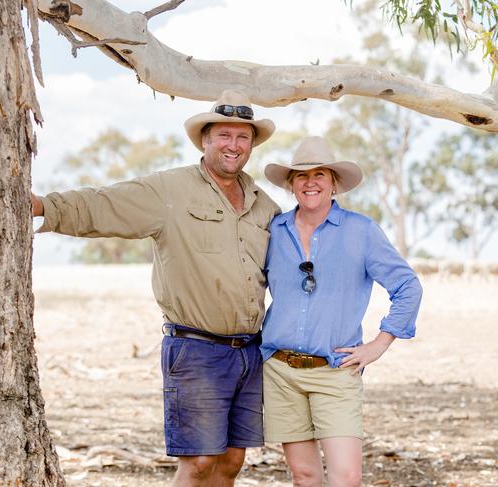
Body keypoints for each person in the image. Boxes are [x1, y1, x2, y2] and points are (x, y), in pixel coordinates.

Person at [32, 90, 280, 487]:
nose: (233, 145)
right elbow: (106, 204)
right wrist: (45, 205)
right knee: (199, 462)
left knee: (233, 461)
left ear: (252, 144)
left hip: (250, 353)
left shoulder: (264, 206)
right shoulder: (170, 191)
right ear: (205, 139)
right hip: (197, 349)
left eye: (243, 137)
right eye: (224, 136)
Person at [260, 136, 423, 486]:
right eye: (301, 175)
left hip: (335, 371)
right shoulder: (274, 231)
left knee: (346, 477)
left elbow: (408, 286)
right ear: (291, 185)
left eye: (320, 174)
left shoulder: (360, 231)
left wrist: (378, 345)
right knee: (304, 476)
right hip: (280, 372)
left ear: (334, 184)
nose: (310, 182)